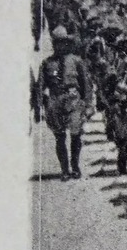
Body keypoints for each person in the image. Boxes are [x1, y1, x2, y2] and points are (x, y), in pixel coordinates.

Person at [37, 23, 93, 179]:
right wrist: (39, 105)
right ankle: (65, 170)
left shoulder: (76, 61)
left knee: (76, 134)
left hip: (74, 100)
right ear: (54, 44)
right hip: (56, 101)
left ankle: (75, 166)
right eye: (57, 43)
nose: (60, 46)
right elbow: (40, 86)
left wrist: (88, 105)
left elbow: (86, 85)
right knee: (60, 136)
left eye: (63, 42)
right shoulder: (47, 63)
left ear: (67, 43)